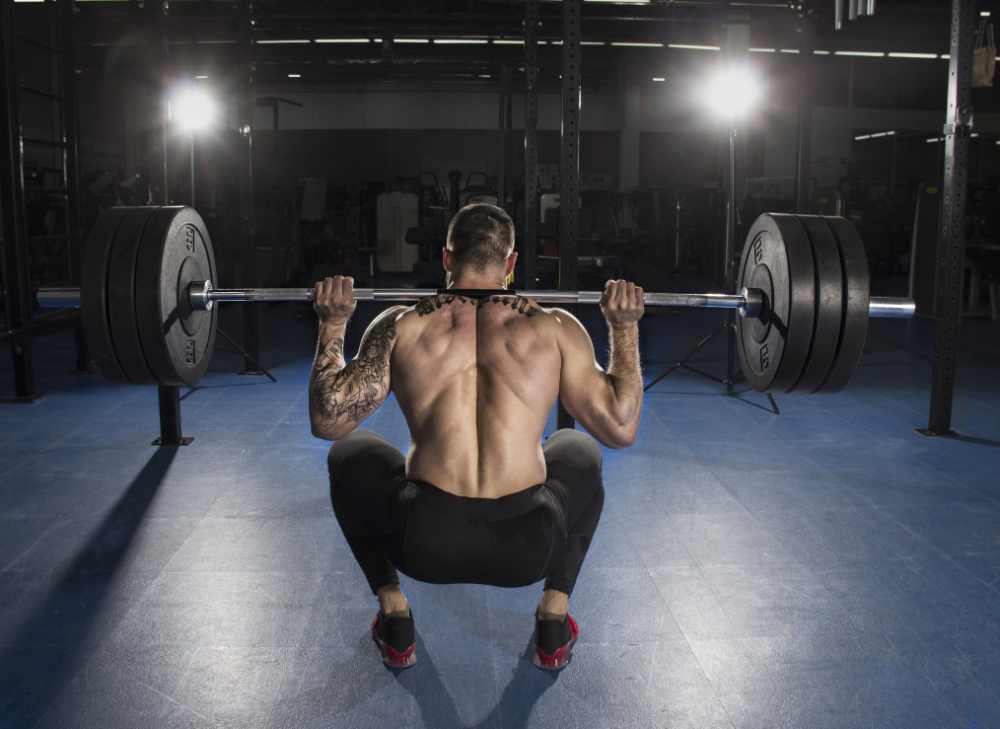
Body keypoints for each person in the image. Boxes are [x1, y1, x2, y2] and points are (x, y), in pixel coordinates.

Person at [310, 203, 644, 671]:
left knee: (349, 454)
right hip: (529, 545)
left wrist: (332, 322)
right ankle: (553, 617)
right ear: (510, 264)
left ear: (447, 259)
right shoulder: (554, 328)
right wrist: (623, 328)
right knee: (581, 450)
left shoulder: (401, 325)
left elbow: (329, 422)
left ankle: (393, 610)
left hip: (422, 541)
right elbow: (621, 427)